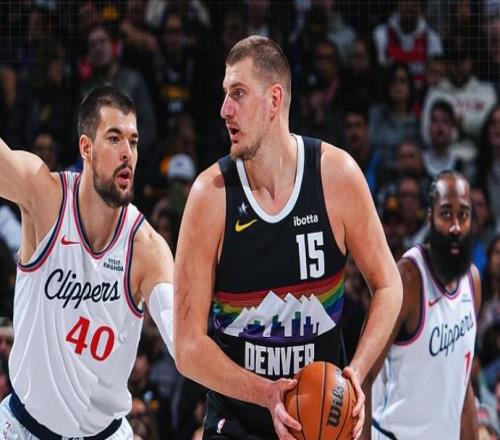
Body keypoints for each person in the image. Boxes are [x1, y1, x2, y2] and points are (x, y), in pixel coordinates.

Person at [173, 35, 403, 440]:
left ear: (274, 100)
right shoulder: (210, 197)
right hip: (237, 424)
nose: (224, 109)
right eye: (225, 94)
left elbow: (389, 285)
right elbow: (187, 347)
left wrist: (357, 371)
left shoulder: (337, 178)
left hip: (321, 424)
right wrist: (266, 394)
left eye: (238, 93)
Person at [0, 85, 175, 439]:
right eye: (114, 138)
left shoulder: (146, 248)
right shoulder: (45, 197)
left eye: (133, 141)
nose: (127, 152)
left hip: (105, 433)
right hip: (24, 428)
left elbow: (185, 344)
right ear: (86, 148)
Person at [370, 170, 480, 439]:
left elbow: (463, 383)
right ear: (430, 217)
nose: (455, 226)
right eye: (446, 214)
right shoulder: (408, 278)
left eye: (463, 215)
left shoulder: (472, 281)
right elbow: (364, 376)